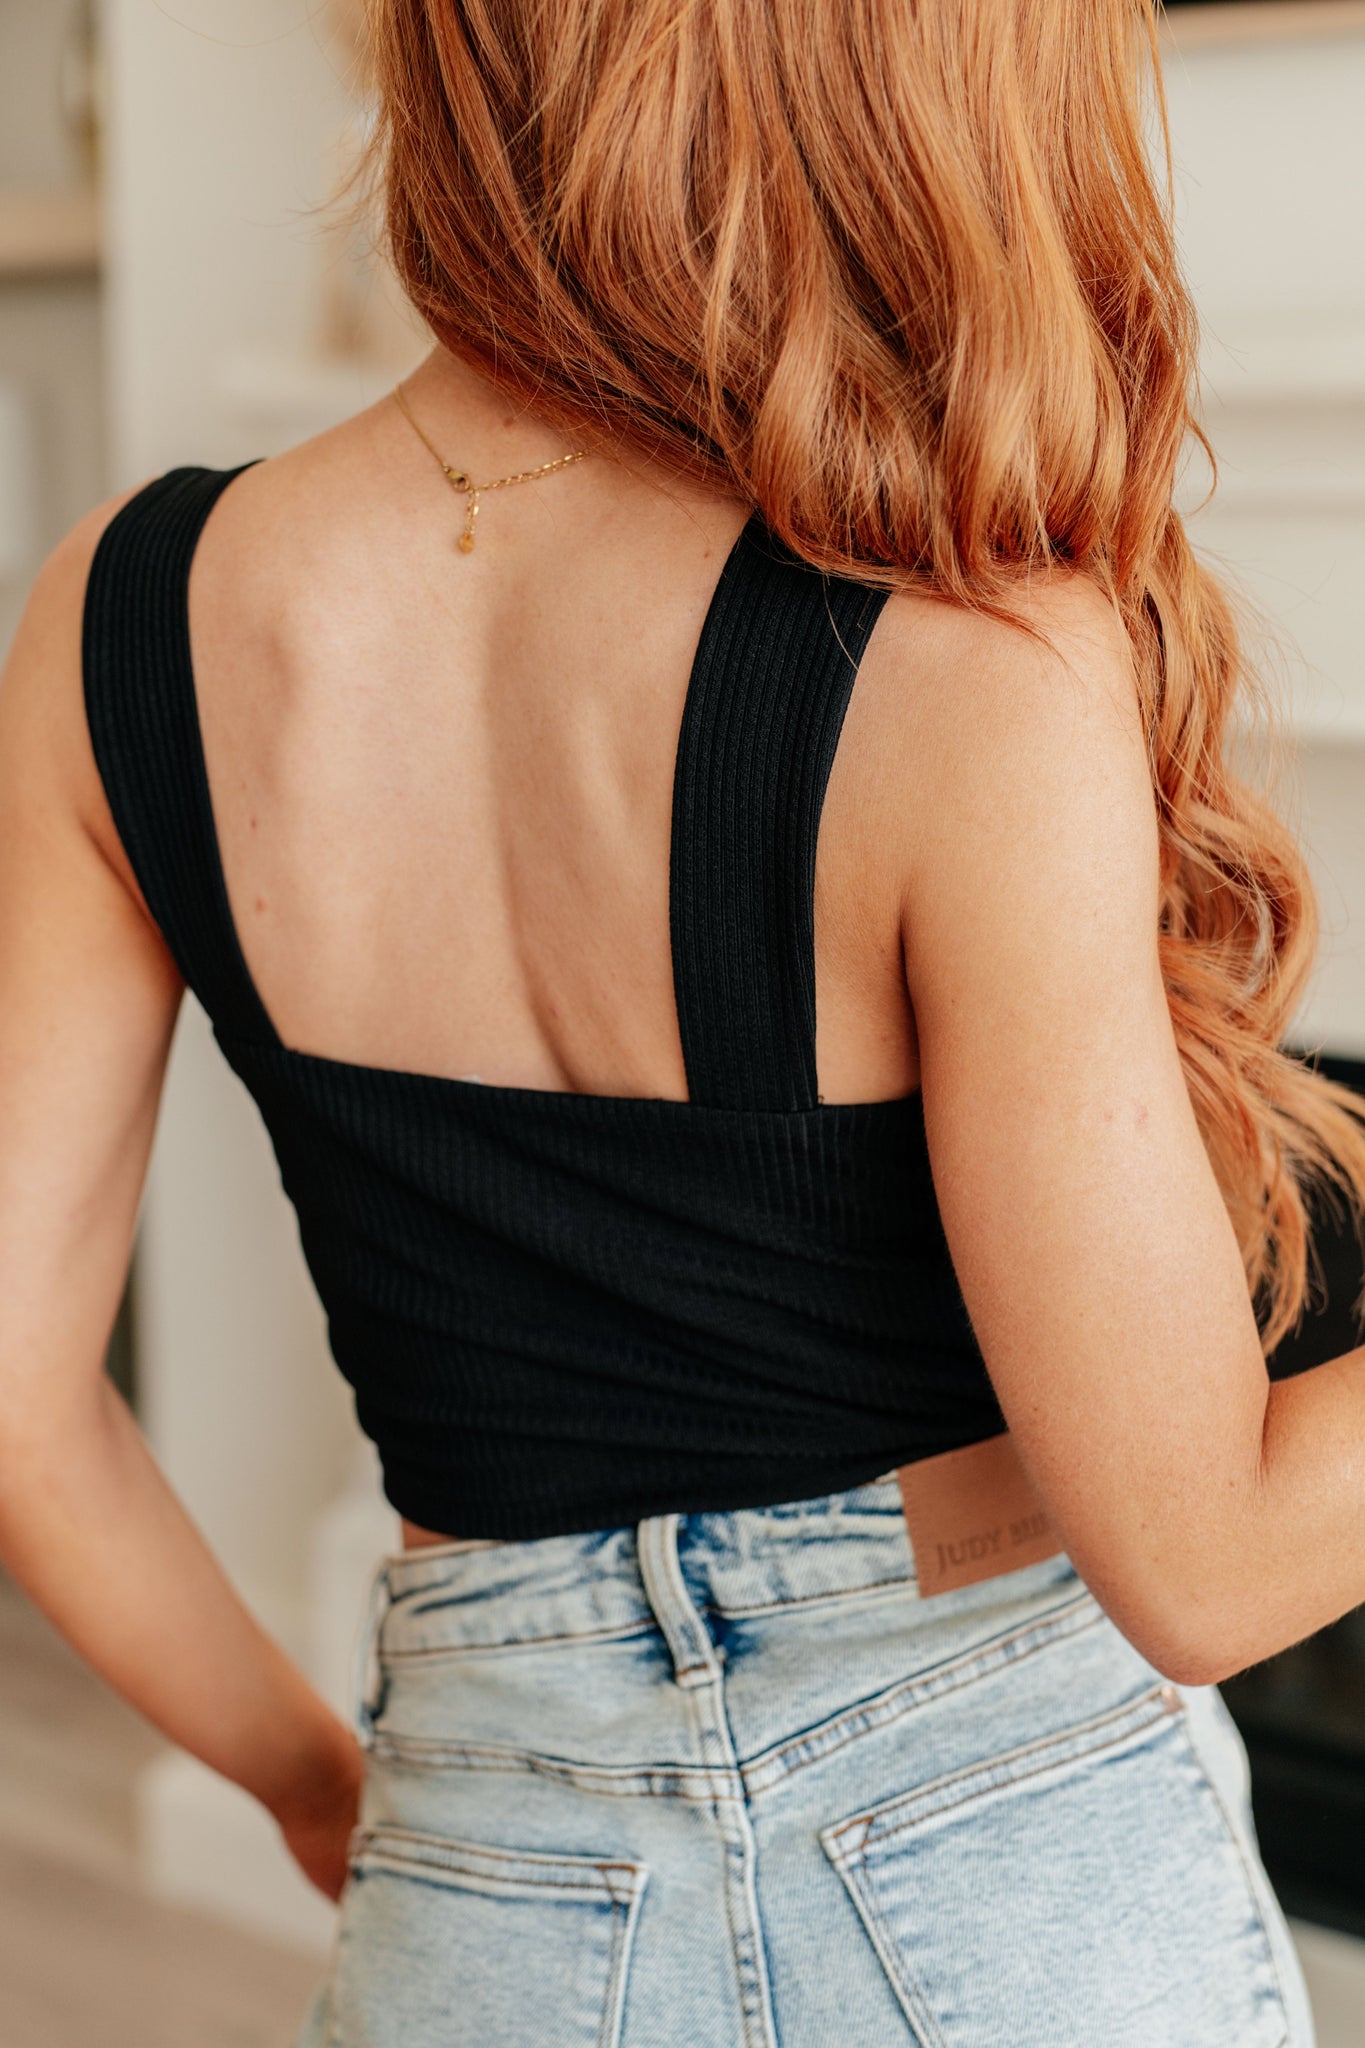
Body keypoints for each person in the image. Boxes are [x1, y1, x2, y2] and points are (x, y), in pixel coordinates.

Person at [1, 0, 1360, 2040]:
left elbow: (18, 1404)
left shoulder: (123, 612)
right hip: (999, 1867)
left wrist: (319, 1785)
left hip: (483, 1867)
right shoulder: (967, 660)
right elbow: (1208, 1560)